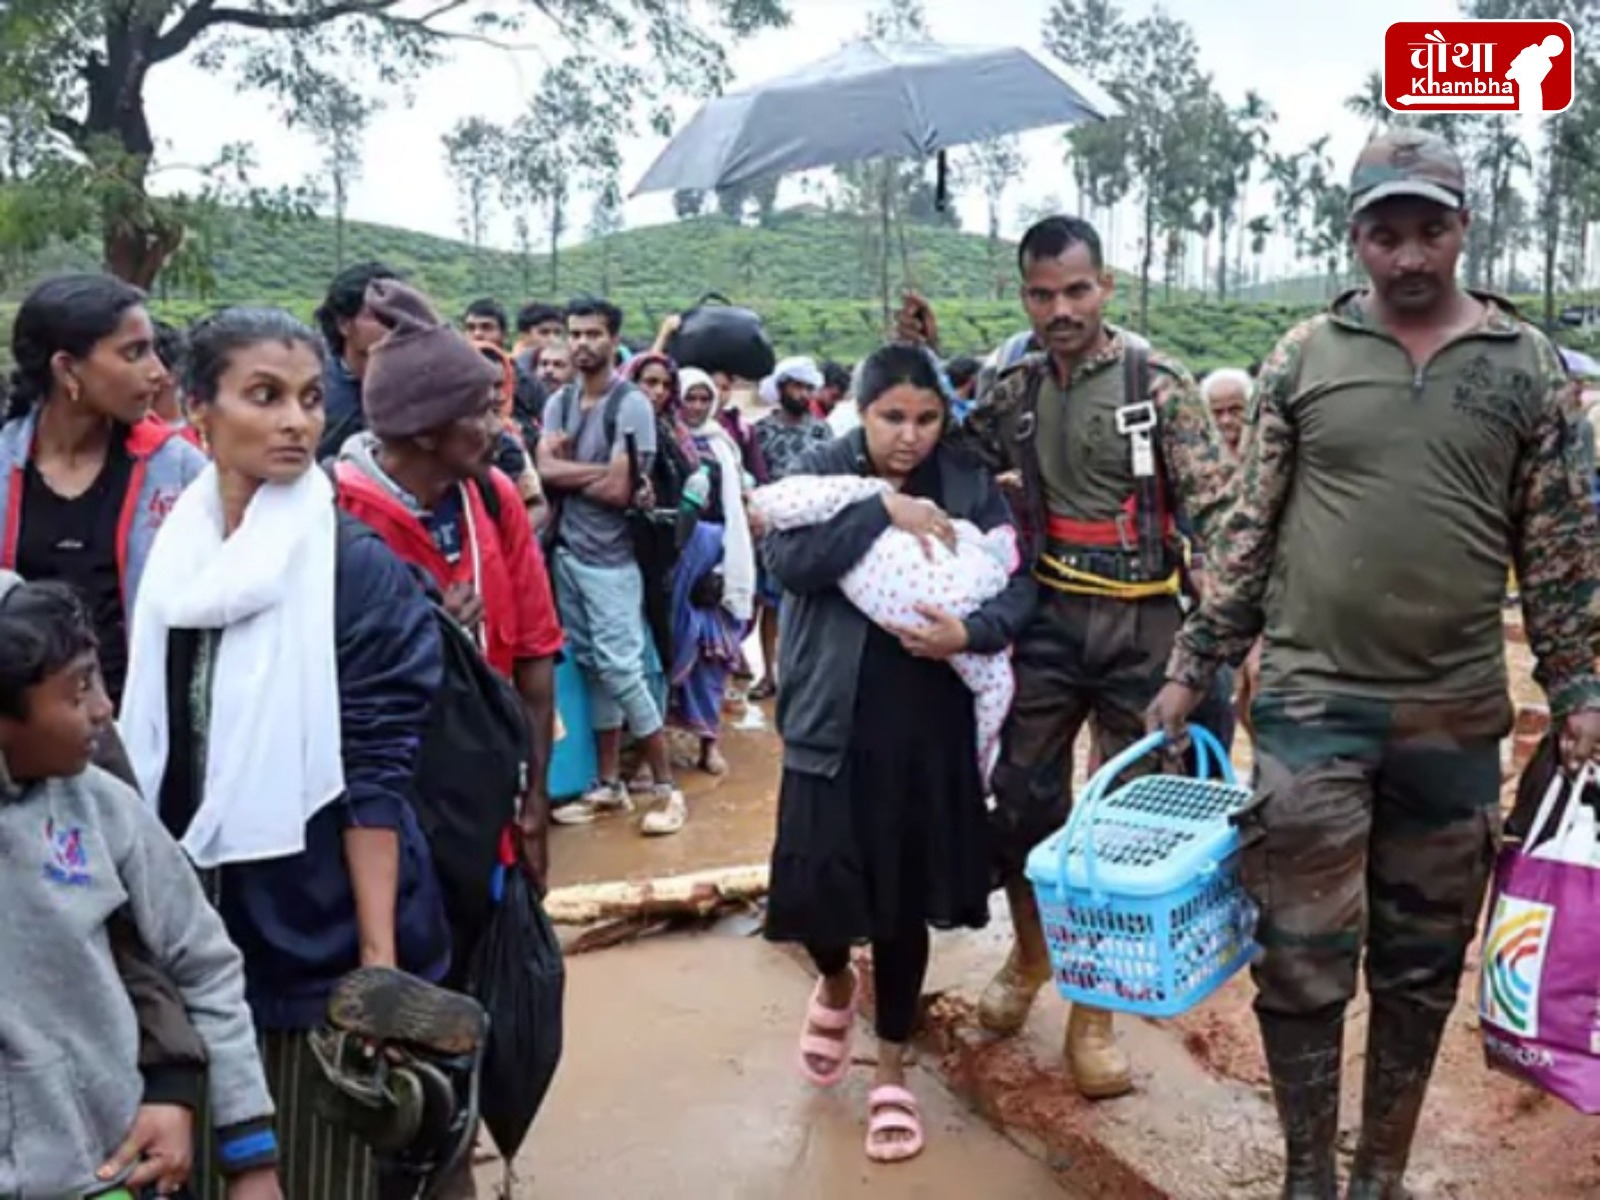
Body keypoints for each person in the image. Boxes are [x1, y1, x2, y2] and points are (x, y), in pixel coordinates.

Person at [1147, 129, 1600, 1200]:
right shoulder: (1304, 356)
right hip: (1309, 707)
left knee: (1418, 960)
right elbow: (1246, 529)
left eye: (1428, 230)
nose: (1406, 256)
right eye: (1383, 233)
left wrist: (1577, 686)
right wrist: (1192, 658)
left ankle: (1377, 1176)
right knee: (1299, 950)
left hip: (1453, 719)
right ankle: (1308, 1175)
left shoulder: (1525, 369)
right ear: (1354, 236)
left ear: (1461, 229)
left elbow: (1560, 549)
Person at [118, 306, 461, 1199]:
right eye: (263, 397)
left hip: (319, 928)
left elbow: (376, 776)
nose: (296, 422)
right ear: (201, 411)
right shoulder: (180, 554)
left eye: (309, 399)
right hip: (204, 924)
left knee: (326, 1168)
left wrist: (376, 965)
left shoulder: (353, 569)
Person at [938, 216, 1234, 1099]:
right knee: (1020, 802)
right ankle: (1030, 958)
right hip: (1051, 615)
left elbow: (1219, 516)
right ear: (1022, 295)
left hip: (1145, 621)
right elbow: (954, 449)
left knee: (1124, 824)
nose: (1059, 310)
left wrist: (1213, 639)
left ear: (1105, 286)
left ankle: (1092, 1013)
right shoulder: (1015, 384)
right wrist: (918, 356)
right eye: (1041, 293)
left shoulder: (1158, 382)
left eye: (1075, 290)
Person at [764, 344, 1034, 1165]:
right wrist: (880, 509)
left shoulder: (965, 479)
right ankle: (837, 981)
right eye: (892, 418)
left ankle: (890, 1070)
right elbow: (791, 562)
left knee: (902, 900)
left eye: (926, 418)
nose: (909, 437)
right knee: (813, 892)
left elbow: (1018, 583)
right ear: (862, 412)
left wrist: (971, 632)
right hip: (828, 714)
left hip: (925, 723)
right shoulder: (822, 467)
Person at [0, 577, 283, 1200]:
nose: (104, 709)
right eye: (78, 694)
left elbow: (202, 962)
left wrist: (249, 1153)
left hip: (107, 1175)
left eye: (96, 681)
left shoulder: (101, 808)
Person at [334, 281, 563, 900]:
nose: (499, 428)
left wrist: (534, 800)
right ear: (428, 430)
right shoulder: (336, 520)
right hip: (383, 815)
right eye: (482, 413)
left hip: (487, 802)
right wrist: (427, 634)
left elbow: (536, 655)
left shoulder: (493, 496)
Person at [0, 273, 207, 711]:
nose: (158, 372)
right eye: (134, 353)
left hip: (143, 724)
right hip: (21, 734)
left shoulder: (180, 470)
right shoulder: (4, 466)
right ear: (66, 368)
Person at [536, 298, 688, 835]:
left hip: (614, 558)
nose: (581, 344)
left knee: (623, 667)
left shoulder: (632, 406)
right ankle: (608, 784)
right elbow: (541, 471)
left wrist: (563, 469)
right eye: (574, 334)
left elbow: (621, 488)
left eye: (593, 334)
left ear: (613, 338)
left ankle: (667, 789)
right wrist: (583, 472)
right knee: (595, 664)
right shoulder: (559, 402)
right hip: (569, 554)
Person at [671, 367, 757, 775]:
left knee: (713, 650)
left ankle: (709, 743)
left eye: (706, 399)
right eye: (691, 397)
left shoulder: (724, 445)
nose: (698, 406)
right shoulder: (667, 440)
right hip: (676, 552)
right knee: (670, 641)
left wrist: (726, 564)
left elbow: (738, 506)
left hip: (718, 548)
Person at [749, 356, 832, 702]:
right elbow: (753, 478)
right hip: (772, 531)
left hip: (812, 531)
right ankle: (769, 673)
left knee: (808, 606)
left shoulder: (822, 431)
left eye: (807, 387)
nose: (802, 394)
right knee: (770, 605)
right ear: (782, 388)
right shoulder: (761, 431)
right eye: (796, 386)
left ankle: (802, 678)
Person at [313, 260, 400, 460]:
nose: (393, 324)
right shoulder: (317, 389)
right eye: (378, 316)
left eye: (397, 314)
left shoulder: (418, 387)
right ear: (344, 324)